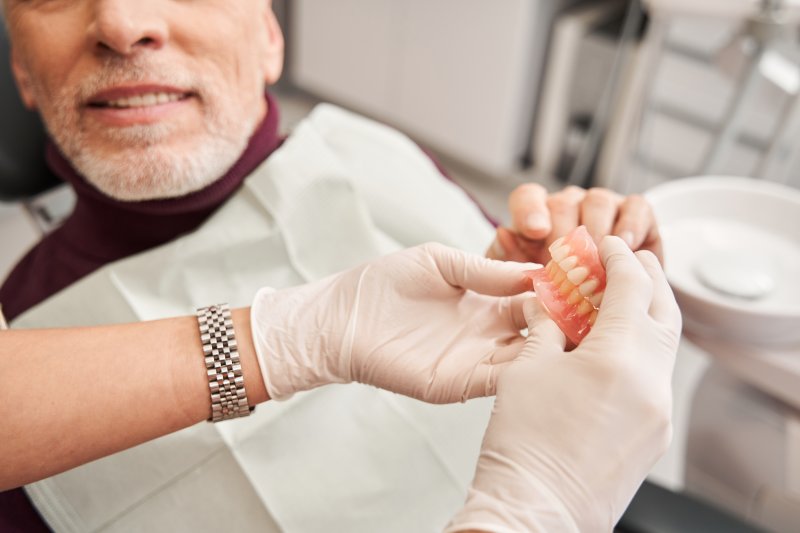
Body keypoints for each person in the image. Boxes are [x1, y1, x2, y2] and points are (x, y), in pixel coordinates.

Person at [0, 0, 673, 531]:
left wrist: (581, 302)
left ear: (270, 36)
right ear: (23, 73)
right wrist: (537, 509)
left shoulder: (370, 157)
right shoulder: (28, 336)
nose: (121, 21)